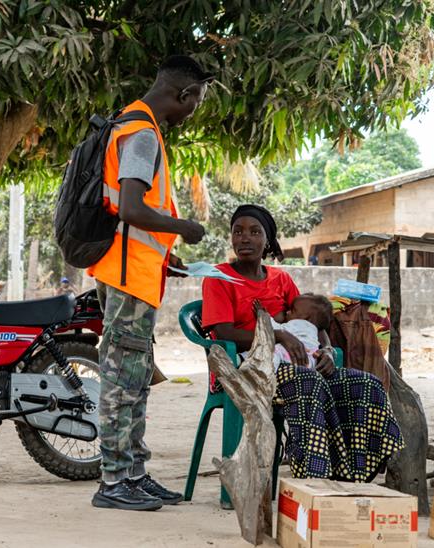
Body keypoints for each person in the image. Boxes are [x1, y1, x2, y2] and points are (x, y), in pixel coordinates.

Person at [202, 204, 403, 482]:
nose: (244, 238)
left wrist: (328, 351)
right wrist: (279, 336)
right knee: (307, 381)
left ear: (268, 240)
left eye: (254, 232)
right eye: (238, 232)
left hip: (297, 364)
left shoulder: (281, 279)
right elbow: (224, 333)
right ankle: (312, 479)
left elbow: (314, 321)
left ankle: (351, 475)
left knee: (365, 384)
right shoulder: (219, 278)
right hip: (246, 368)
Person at [87, 55, 209, 511]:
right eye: (195, 102)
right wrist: (184, 229)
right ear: (184, 94)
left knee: (135, 380)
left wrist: (167, 254)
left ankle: (134, 474)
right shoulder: (140, 132)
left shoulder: (136, 125)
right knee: (121, 382)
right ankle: (114, 482)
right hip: (127, 276)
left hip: (133, 271)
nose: (192, 112)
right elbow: (133, 208)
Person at [251, 293, 333, 371]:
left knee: (270, 352)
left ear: (306, 318)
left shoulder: (299, 324)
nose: (287, 312)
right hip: (312, 360)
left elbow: (273, 328)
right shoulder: (313, 330)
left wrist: (262, 315)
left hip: (290, 356)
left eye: (292, 311)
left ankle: (260, 372)